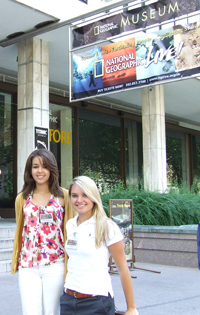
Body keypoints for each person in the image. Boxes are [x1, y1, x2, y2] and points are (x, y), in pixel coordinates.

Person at [60, 175, 139, 315]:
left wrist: (131, 308)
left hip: (96, 302)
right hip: (69, 300)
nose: (79, 200)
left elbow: (122, 268)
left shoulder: (107, 226)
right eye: (74, 195)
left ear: (93, 197)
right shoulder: (70, 225)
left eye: (85, 195)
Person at [11, 149, 75, 315]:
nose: (40, 171)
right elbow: (21, 230)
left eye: (44, 166)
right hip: (28, 265)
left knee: (51, 312)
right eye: (35, 166)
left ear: (52, 169)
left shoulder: (63, 197)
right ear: (29, 170)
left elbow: (72, 229)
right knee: (30, 311)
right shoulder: (22, 198)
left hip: (55, 263)